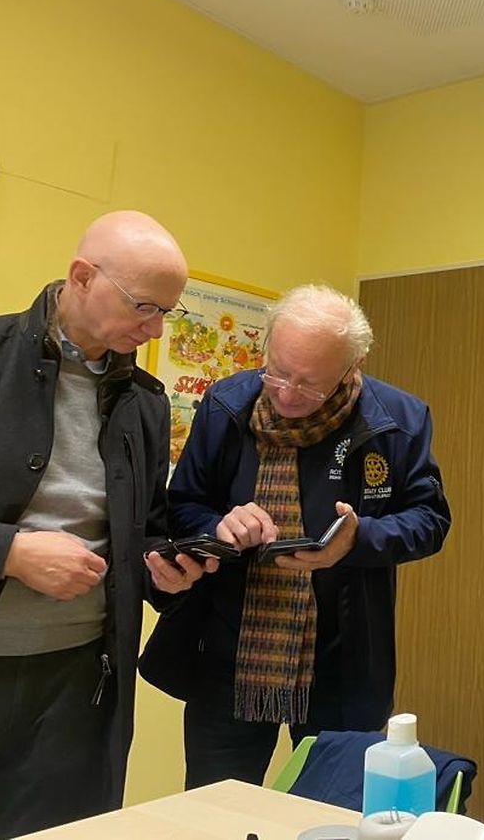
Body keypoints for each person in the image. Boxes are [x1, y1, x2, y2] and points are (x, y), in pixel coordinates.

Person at [0, 211, 210, 838]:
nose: (155, 328)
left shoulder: (146, 401)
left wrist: (164, 567)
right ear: (82, 277)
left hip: (77, 682)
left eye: (168, 312)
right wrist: (9, 553)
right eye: (144, 306)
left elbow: (144, 528)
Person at [140, 284, 452, 788]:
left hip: (342, 661)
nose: (286, 393)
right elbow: (182, 505)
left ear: (352, 367)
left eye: (310, 384)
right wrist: (217, 526)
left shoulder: (398, 420)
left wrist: (358, 540)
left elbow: (430, 520)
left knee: (329, 808)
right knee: (218, 812)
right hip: (229, 657)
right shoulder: (226, 405)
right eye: (278, 371)